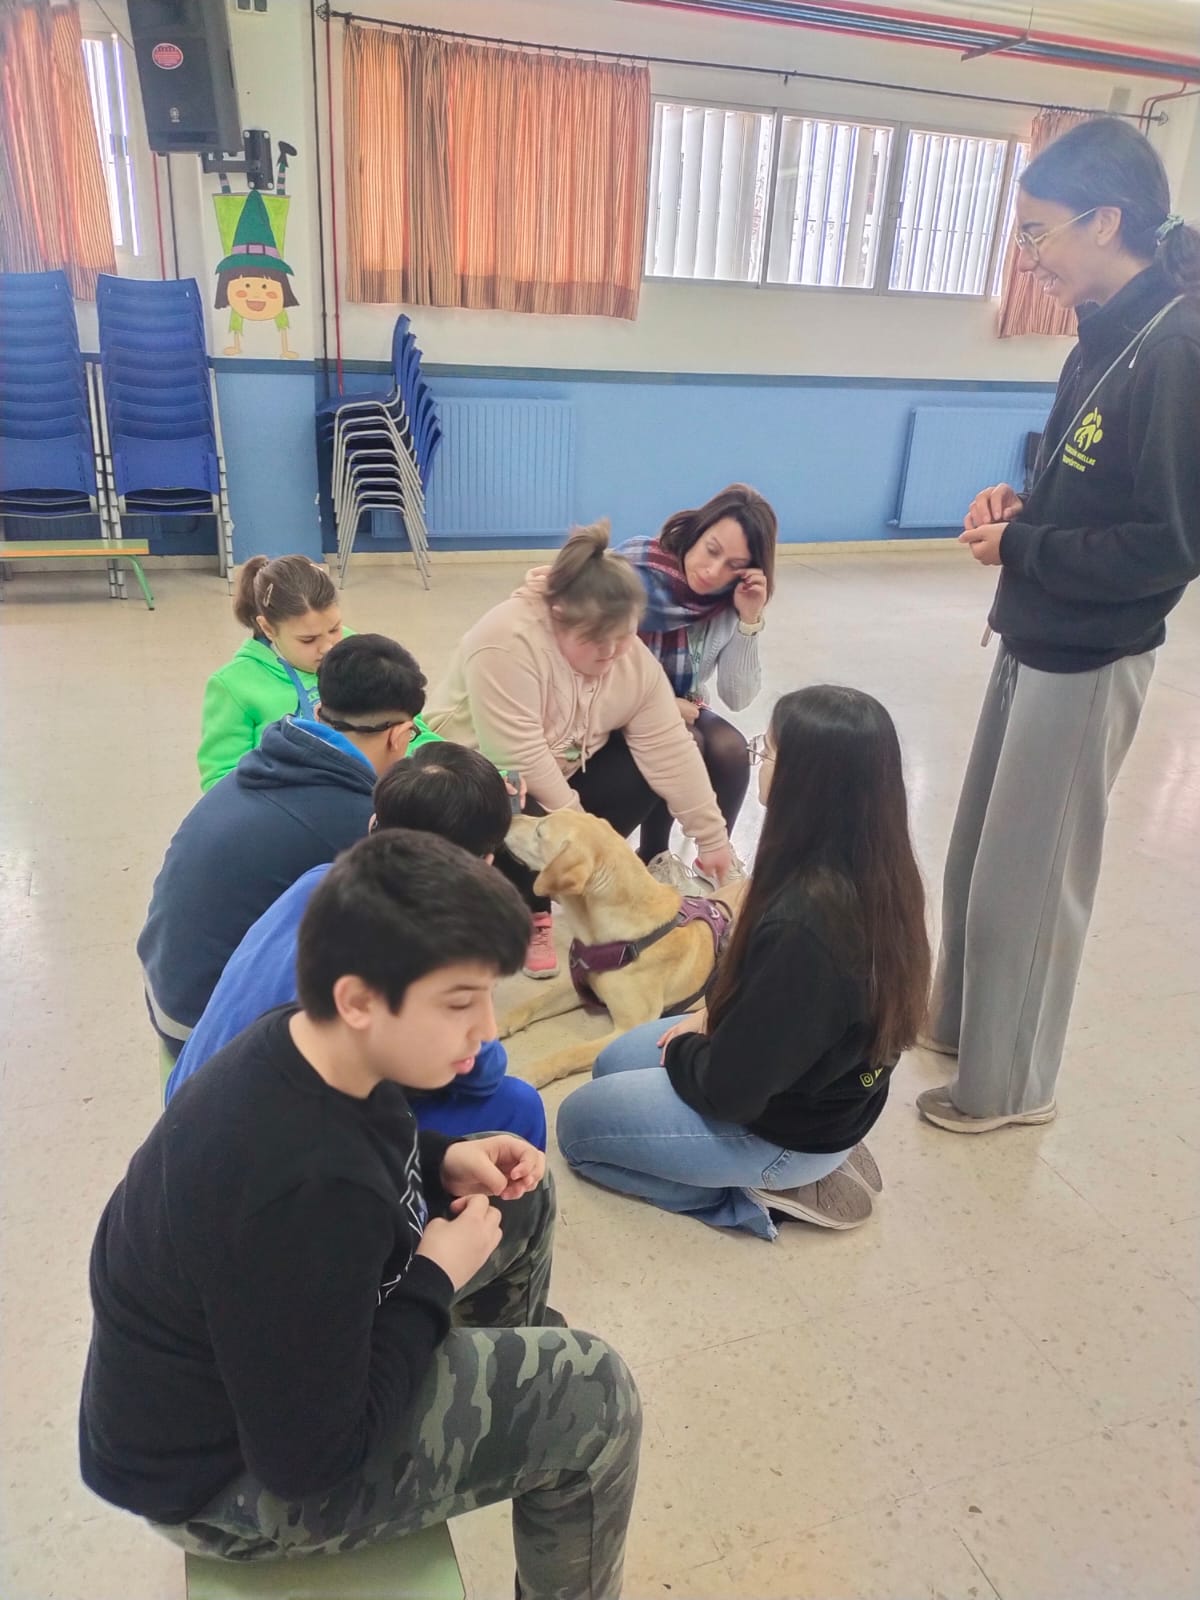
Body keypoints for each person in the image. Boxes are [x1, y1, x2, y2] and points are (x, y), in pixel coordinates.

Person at [82, 833, 641, 1598]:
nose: (487, 1030)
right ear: (357, 1000)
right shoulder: (305, 1190)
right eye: (459, 1003)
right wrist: (434, 1281)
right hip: (227, 1484)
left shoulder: (310, 1040)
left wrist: (442, 1159)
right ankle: (531, 1422)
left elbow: (373, 1139)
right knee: (597, 1397)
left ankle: (504, 1416)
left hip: (270, 1374)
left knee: (518, 1199)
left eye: (488, 996)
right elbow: (310, 1461)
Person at [919, 118, 1200, 1135]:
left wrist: (1026, 548)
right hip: (1036, 628)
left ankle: (1010, 1087)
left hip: (1090, 653)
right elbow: (1090, 481)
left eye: (1038, 232)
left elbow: (1168, 543)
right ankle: (961, 1027)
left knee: (1031, 886)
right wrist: (1024, 508)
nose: (1027, 255)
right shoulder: (1106, 326)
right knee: (977, 860)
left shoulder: (1176, 347)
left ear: (1106, 221)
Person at [557, 686, 930, 1238]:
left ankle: (762, 1195)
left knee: (577, 1130)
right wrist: (711, 1016)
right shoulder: (873, 866)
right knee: (613, 1063)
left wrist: (687, 1047)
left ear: (806, 781)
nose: (760, 760)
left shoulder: (807, 925)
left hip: (781, 1126)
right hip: (822, 1088)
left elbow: (729, 1091)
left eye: (768, 751)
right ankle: (804, 1162)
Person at [165, 742, 547, 1150]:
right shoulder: (432, 944)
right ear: (484, 863)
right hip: (266, 1152)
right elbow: (482, 1074)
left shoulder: (318, 880)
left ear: (372, 823)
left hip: (185, 1107)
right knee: (516, 1104)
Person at [425, 521, 735, 980]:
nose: (611, 653)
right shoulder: (505, 640)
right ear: (558, 617)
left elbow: (668, 746)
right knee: (513, 793)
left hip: (561, 767)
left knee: (649, 761)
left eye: (624, 637)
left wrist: (713, 839)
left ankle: (562, 881)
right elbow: (518, 755)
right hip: (475, 774)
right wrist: (582, 832)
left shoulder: (628, 657)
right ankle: (524, 908)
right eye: (595, 641)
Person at [140, 634, 425, 1060]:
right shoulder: (354, 820)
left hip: (166, 987)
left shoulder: (275, 758)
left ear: (319, 710)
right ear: (400, 736)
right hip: (208, 1031)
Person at [619, 484, 777, 863]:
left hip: (683, 704)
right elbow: (588, 668)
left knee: (731, 749)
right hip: (615, 704)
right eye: (712, 550)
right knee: (684, 739)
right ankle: (655, 855)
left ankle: (715, 863)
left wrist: (749, 619)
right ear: (697, 530)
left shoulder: (725, 602)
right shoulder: (631, 569)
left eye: (734, 566)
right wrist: (661, 705)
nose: (712, 571)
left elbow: (738, 696)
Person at [197, 552, 437, 791]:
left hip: (372, 795)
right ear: (267, 628)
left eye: (334, 629)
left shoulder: (355, 652)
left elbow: (412, 728)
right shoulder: (233, 686)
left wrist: (443, 769)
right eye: (308, 639)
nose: (328, 647)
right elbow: (220, 781)